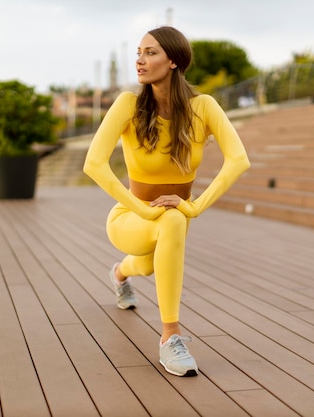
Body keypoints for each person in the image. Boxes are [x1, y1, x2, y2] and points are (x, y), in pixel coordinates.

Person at [83, 26, 250, 377]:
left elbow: (239, 160)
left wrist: (194, 206)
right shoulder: (128, 105)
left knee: (145, 266)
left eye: (151, 52)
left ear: (173, 61)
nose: (140, 60)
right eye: (139, 52)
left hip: (174, 216)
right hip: (130, 215)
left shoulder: (203, 107)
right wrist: (143, 208)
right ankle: (170, 336)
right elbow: (93, 164)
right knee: (170, 221)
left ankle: (118, 273)